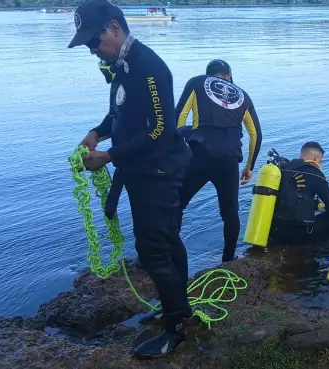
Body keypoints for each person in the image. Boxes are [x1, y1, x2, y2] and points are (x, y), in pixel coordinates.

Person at [68, 0, 191, 359]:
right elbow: (120, 113)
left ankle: (176, 330)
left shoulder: (147, 66)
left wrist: (108, 156)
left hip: (158, 172)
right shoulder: (120, 64)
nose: (92, 50)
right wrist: (97, 132)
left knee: (153, 250)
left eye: (93, 41)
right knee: (167, 240)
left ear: (114, 29)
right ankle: (178, 307)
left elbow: (159, 130)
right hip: (142, 169)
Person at [175, 59, 262, 263]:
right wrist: (249, 166)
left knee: (176, 203)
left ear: (209, 74)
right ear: (229, 77)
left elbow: (179, 117)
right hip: (229, 161)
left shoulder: (197, 82)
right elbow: (256, 135)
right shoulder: (243, 95)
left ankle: (170, 251)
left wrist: (183, 145)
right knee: (230, 212)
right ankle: (229, 260)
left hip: (200, 155)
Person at [269, 142, 329, 245]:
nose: (320, 164)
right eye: (320, 161)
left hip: (273, 230)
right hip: (297, 234)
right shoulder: (314, 173)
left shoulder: (281, 168)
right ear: (316, 159)